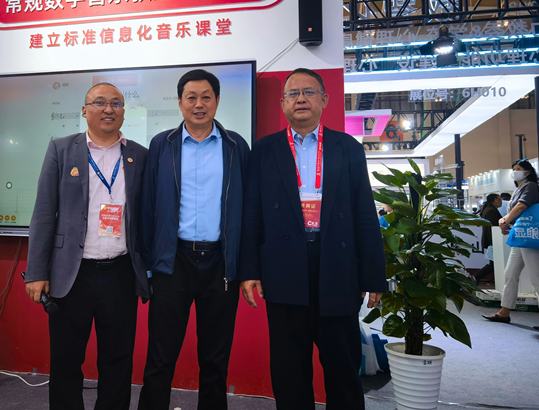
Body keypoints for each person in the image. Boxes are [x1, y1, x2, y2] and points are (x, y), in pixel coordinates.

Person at [239, 68, 386, 410]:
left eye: (308, 92)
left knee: (343, 368)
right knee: (289, 370)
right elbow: (251, 215)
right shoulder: (264, 150)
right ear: (282, 103)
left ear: (324, 99)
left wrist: (373, 275)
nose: (300, 99)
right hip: (283, 266)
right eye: (293, 94)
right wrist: (250, 269)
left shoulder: (347, 148)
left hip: (337, 266)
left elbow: (365, 212)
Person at [24, 83, 149, 410]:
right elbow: (43, 212)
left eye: (116, 103)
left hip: (120, 273)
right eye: (100, 102)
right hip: (71, 273)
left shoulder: (139, 155)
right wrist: (36, 271)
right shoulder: (61, 149)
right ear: (84, 110)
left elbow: (147, 216)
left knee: (118, 360)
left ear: (124, 111)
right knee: (66, 359)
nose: (108, 109)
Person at [138, 69, 250, 410]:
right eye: (191, 97)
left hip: (220, 264)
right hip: (173, 261)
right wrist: (147, 264)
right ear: (180, 102)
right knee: (160, 356)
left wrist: (244, 266)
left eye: (206, 97)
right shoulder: (162, 144)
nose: (199, 104)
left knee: (215, 358)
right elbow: (147, 208)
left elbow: (248, 210)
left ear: (217, 101)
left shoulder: (235, 146)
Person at [482, 160, 539, 324]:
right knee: (510, 274)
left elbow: (521, 206)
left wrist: (505, 219)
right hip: (521, 235)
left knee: (536, 276)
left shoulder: (531, 186)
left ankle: (504, 311)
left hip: (528, 235)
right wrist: (507, 221)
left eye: (518, 169)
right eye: (513, 169)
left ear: (527, 172)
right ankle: (504, 311)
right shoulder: (520, 188)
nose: (515, 172)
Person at [473, 193, 502, 284]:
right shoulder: (491, 211)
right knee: (494, 263)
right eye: (499, 199)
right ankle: (476, 277)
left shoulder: (488, 209)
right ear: (495, 200)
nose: (501, 202)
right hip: (493, 240)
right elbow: (494, 227)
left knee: (494, 263)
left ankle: (476, 277)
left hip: (491, 240)